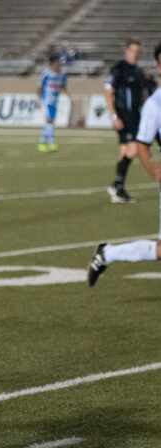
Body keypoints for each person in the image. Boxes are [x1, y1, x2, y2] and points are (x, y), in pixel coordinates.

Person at [88, 43, 161, 285]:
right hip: (127, 120)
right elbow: (142, 145)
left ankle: (107, 253)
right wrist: (153, 171)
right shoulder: (155, 105)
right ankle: (108, 253)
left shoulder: (140, 77)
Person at [104, 39, 150, 203]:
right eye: (133, 50)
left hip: (135, 116)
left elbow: (143, 94)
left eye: (138, 51)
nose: (136, 54)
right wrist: (113, 116)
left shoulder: (138, 71)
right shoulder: (119, 69)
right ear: (126, 51)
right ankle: (117, 186)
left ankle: (118, 188)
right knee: (136, 148)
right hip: (124, 116)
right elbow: (108, 91)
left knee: (125, 151)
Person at [38, 53, 67, 153]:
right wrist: (39, 99)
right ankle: (52, 143)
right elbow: (39, 87)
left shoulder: (62, 74)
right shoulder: (46, 73)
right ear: (52, 63)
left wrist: (69, 96)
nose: (59, 64)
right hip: (46, 101)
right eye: (58, 62)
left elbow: (63, 86)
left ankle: (42, 143)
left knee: (49, 123)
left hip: (55, 101)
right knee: (49, 121)